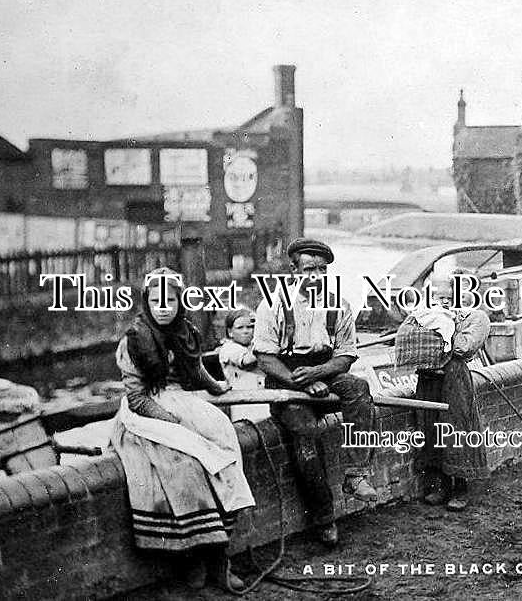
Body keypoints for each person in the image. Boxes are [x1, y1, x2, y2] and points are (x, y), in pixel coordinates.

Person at [110, 267, 255, 591]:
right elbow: (135, 395)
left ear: (180, 302)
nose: (164, 307)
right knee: (184, 467)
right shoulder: (135, 338)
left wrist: (217, 387)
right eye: (157, 300)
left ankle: (220, 558)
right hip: (146, 410)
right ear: (147, 301)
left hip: (182, 400)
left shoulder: (185, 331)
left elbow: (196, 368)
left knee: (225, 445)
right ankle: (193, 558)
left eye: (171, 300)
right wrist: (170, 423)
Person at [253, 238, 377, 546]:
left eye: (322, 270)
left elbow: (346, 355)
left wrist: (320, 373)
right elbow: (265, 358)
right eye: (310, 269)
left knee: (360, 390)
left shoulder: (339, 306)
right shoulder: (273, 304)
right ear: (293, 271)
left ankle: (356, 475)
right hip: (286, 384)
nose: (317, 277)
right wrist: (302, 383)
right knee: (306, 434)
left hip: (326, 374)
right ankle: (324, 518)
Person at [395, 272, 491, 511]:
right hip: (427, 378)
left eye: (451, 297)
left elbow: (462, 348)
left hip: (454, 379)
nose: (445, 302)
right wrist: (432, 321)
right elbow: (408, 338)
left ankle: (461, 488)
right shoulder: (425, 315)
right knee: (429, 429)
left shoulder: (476, 317)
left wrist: (448, 323)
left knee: (456, 427)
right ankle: (441, 486)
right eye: (438, 298)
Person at [218, 308, 268, 422]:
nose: (246, 331)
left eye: (250, 327)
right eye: (240, 328)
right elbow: (246, 361)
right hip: (243, 403)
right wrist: (268, 344)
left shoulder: (254, 347)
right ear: (230, 331)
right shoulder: (228, 348)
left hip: (264, 399)